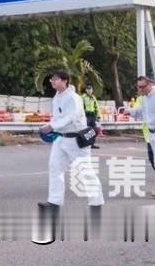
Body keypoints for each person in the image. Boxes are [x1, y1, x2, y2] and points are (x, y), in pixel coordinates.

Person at [38, 69, 104, 212]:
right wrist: (49, 125)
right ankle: (54, 201)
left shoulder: (73, 98)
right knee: (55, 167)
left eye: (55, 79)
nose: (52, 82)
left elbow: (70, 117)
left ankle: (96, 201)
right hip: (60, 138)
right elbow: (57, 117)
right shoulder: (57, 97)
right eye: (52, 80)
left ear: (65, 81)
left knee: (84, 170)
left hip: (76, 140)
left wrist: (52, 126)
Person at [82, 85, 101, 149]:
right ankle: (85, 143)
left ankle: (91, 144)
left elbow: (96, 107)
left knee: (94, 130)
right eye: (88, 89)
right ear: (86, 90)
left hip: (93, 115)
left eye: (90, 89)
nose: (89, 90)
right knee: (85, 130)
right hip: (86, 116)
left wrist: (98, 116)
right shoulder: (83, 97)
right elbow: (81, 106)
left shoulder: (93, 97)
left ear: (92, 90)